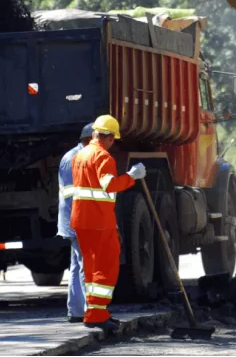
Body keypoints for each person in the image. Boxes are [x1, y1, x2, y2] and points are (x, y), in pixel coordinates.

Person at [71, 114, 146, 331]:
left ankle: (94, 313)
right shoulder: (104, 157)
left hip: (81, 220)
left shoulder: (80, 156)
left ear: (94, 133)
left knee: (92, 267)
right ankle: (97, 314)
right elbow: (109, 185)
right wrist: (133, 176)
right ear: (110, 138)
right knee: (106, 266)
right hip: (98, 221)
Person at [58, 123, 92, 323]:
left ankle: (77, 310)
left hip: (74, 219)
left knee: (76, 263)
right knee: (85, 264)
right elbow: (73, 195)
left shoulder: (75, 156)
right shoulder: (74, 159)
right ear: (89, 139)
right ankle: (90, 311)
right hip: (77, 219)